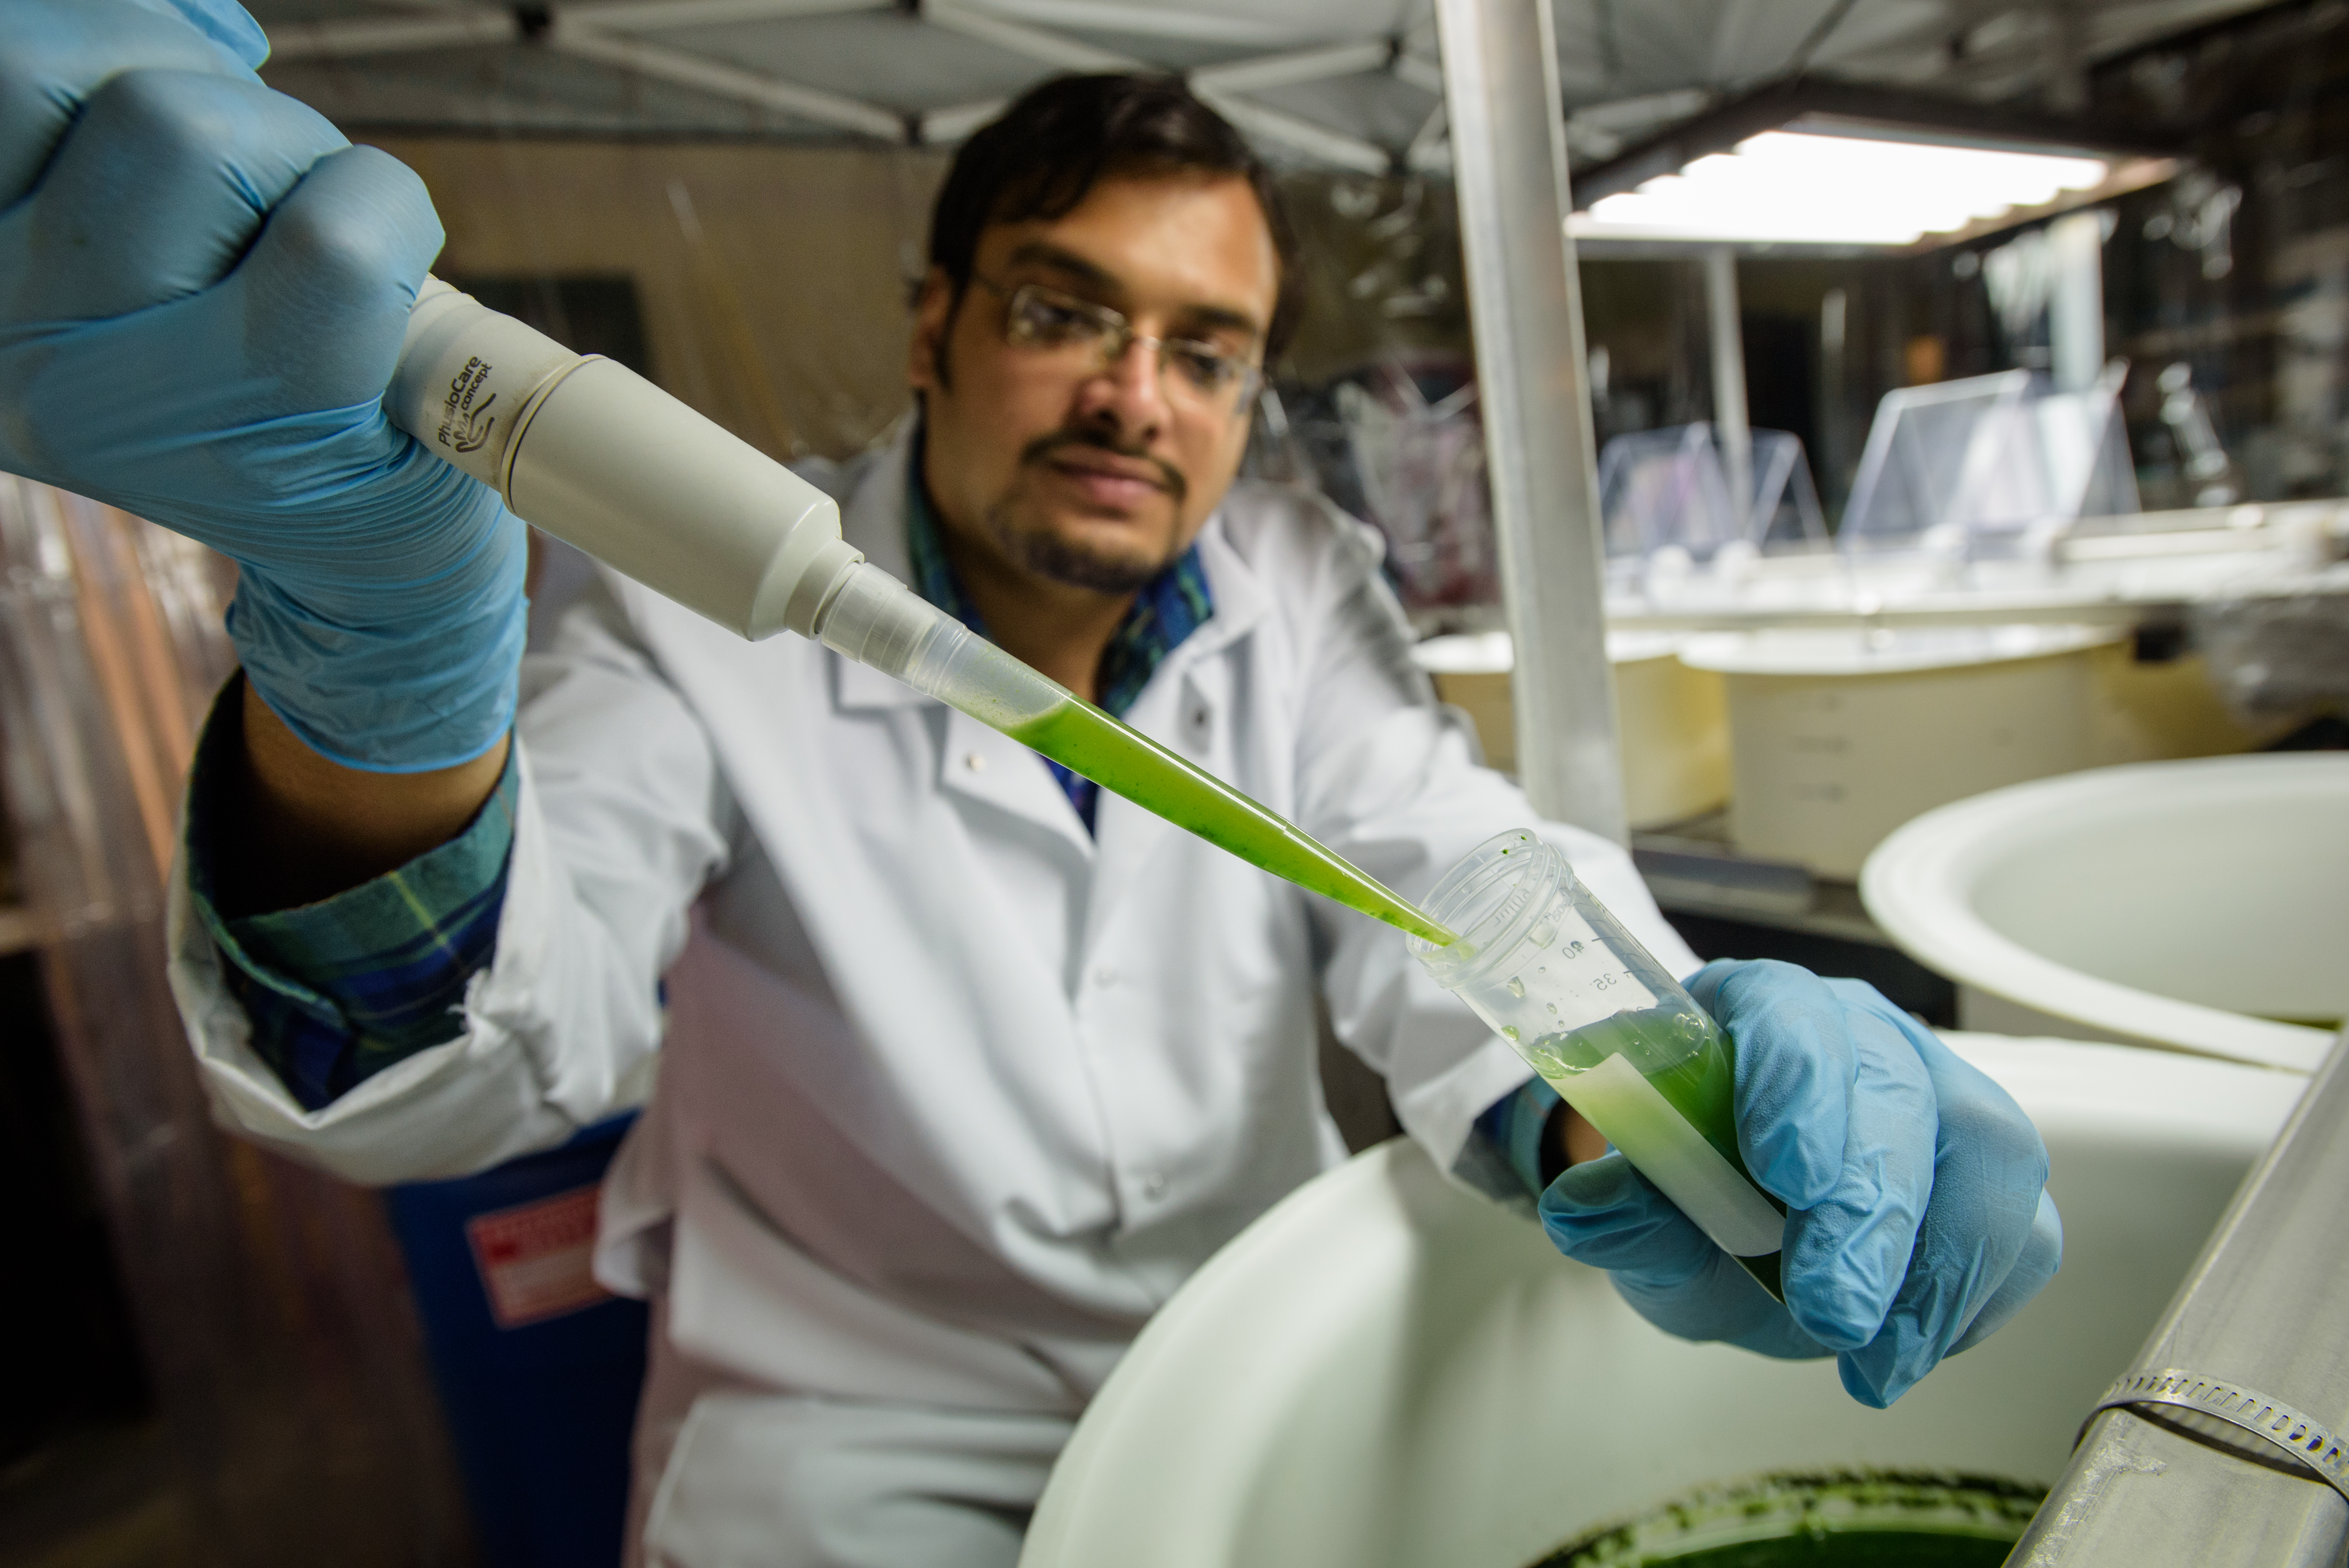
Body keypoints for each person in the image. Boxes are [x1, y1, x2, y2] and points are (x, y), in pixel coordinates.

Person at [1, 4, 2061, 1564]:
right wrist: (376, 671)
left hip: (1258, 1350)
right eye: (1068, 310)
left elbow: (1439, 868)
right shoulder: (692, 609)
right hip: (842, 1446)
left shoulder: (1286, 578)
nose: (1130, 399)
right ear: (937, 323)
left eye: (1207, 347)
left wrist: (1659, 1085)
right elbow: (489, 1051)